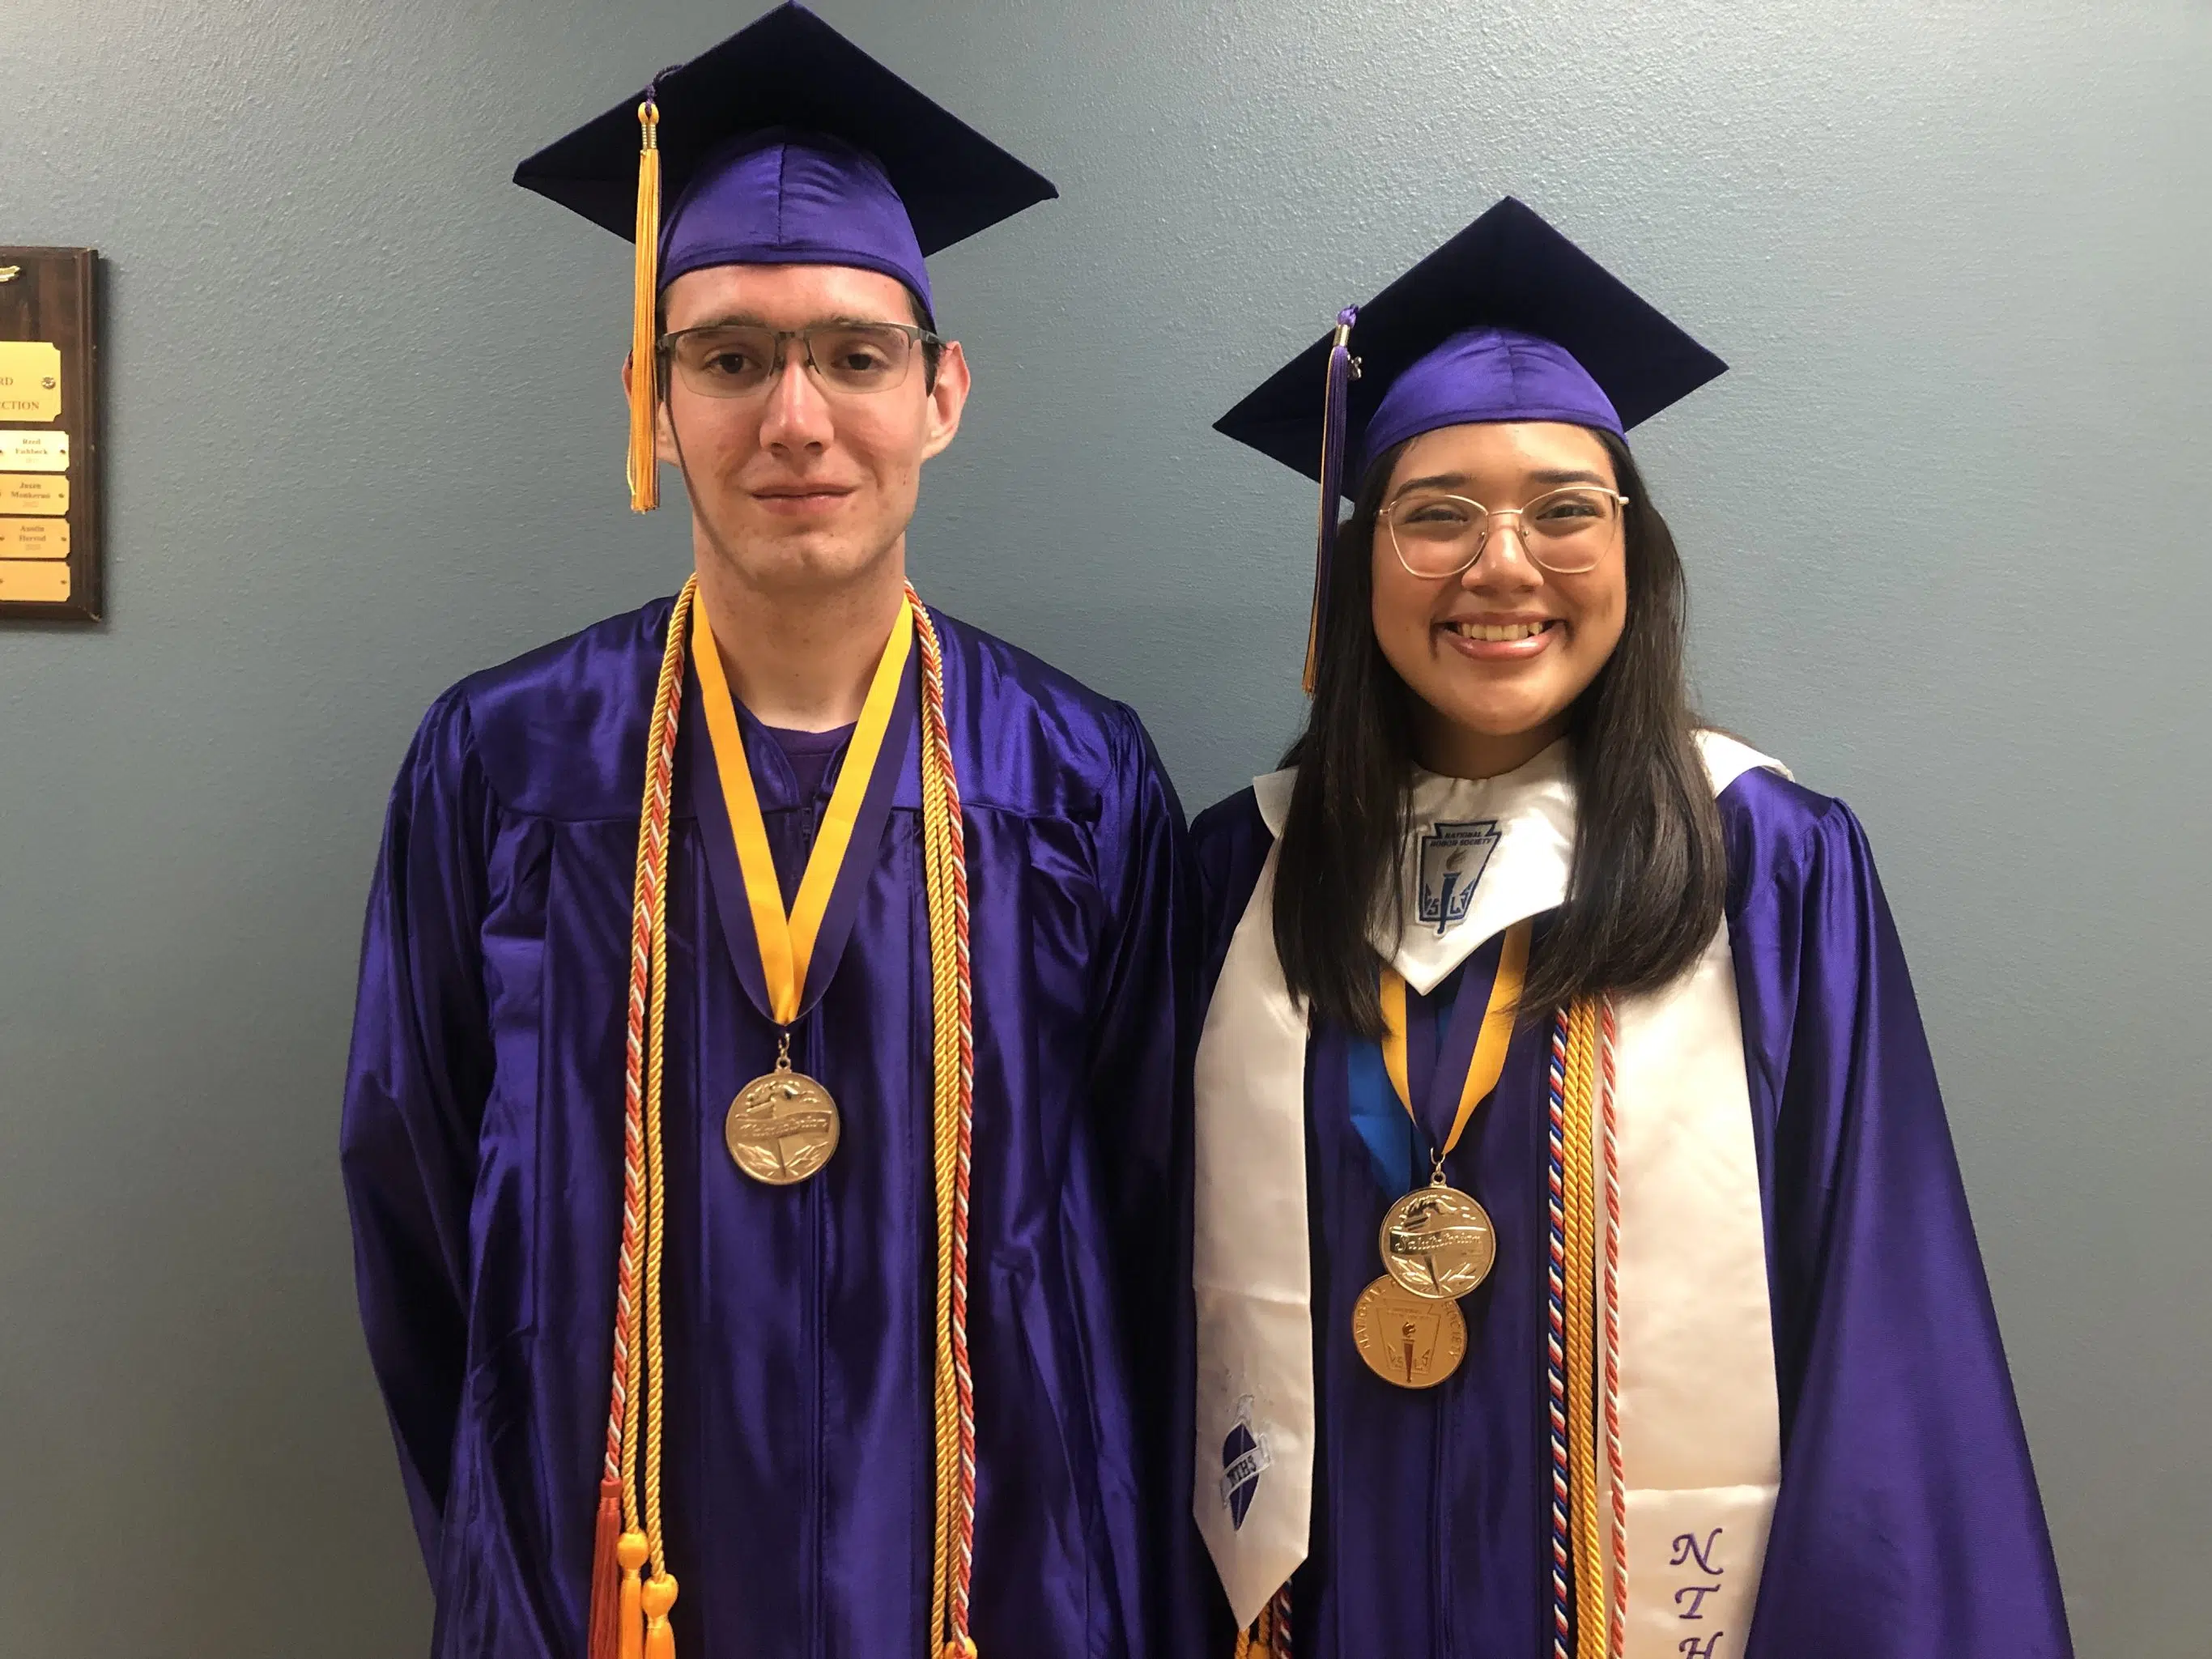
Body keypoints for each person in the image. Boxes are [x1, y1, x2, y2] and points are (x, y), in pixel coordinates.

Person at [340, 8, 1190, 1657]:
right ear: (651, 399)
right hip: (613, 1580)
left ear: (940, 394)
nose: (795, 418)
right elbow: (418, 1201)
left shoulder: (1077, 781)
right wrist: (504, 1552)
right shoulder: (506, 762)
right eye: (730, 357)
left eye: (855, 356)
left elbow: (1152, 1229)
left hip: (997, 1583)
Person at [1182, 198, 2071, 1658]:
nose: (1504, 566)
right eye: (1437, 512)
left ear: (1634, 554)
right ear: (1358, 567)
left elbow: (1882, 1315)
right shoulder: (1246, 876)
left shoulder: (1769, 864)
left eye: (1564, 509)